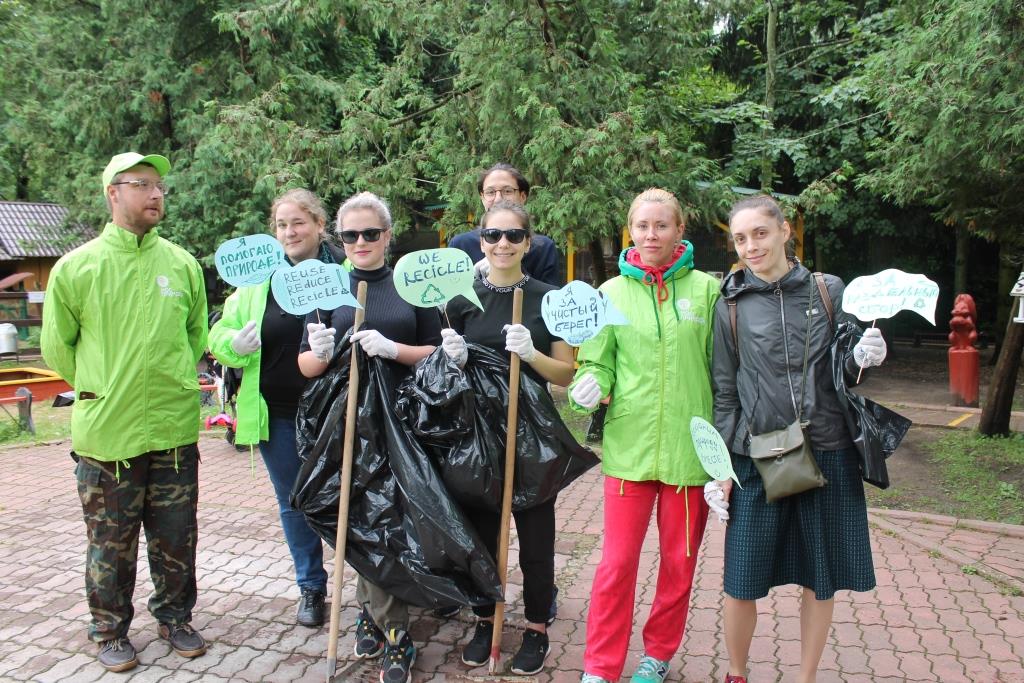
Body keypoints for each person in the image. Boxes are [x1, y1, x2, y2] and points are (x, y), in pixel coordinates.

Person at [41, 152, 209, 673]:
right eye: (143, 185)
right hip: (107, 433)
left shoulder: (181, 264)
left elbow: (195, 336)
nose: (156, 194)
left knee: (176, 535)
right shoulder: (77, 268)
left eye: (161, 185)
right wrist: (102, 386)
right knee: (111, 544)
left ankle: (176, 617)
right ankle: (109, 628)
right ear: (113, 193)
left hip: (173, 427)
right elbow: (57, 350)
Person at [708, 195, 887, 683]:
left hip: (828, 450)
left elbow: (845, 375)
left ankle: (806, 676)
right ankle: (737, 672)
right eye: (740, 238)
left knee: (820, 577)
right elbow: (724, 391)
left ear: (785, 232)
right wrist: (724, 466)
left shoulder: (829, 290)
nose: (751, 246)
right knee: (741, 578)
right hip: (758, 456)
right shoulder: (729, 304)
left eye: (760, 234)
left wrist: (863, 358)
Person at [568, 188, 719, 683]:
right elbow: (595, 362)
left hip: (689, 456)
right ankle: (601, 666)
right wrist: (588, 387)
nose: (651, 235)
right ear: (629, 230)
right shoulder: (610, 293)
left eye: (662, 225)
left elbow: (724, 373)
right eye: (642, 226)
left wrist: (723, 460)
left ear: (680, 231)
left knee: (679, 564)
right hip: (629, 452)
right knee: (616, 566)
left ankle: (657, 655)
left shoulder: (708, 292)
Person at [298, 191, 441, 683]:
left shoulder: (409, 285)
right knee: (359, 518)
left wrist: (393, 348)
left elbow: (433, 352)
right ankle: (390, 628)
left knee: (394, 522)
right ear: (339, 240)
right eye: (350, 235)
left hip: (404, 421)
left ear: (387, 236)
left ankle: (382, 621)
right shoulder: (328, 286)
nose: (360, 242)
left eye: (370, 233)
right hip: (347, 426)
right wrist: (319, 349)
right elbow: (307, 365)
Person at [441, 200, 575, 675]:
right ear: (481, 241)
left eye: (514, 236)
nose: (503, 244)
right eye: (494, 235)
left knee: (536, 538)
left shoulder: (546, 297)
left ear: (529, 242)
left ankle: (536, 627)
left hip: (531, 436)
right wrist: (451, 356)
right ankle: (485, 618)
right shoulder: (460, 298)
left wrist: (532, 353)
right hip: (476, 434)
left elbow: (565, 373)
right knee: (480, 533)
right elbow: (441, 370)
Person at [208, 188, 344, 629]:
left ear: (319, 225)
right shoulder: (254, 283)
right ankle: (311, 587)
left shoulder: (342, 273)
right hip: (277, 413)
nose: (289, 232)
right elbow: (218, 336)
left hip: (336, 411)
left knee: (348, 496)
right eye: (282, 224)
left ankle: (370, 581)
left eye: (298, 222)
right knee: (294, 502)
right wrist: (234, 344)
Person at [447, 162, 561, 286]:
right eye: (490, 192)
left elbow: (548, 301)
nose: (498, 199)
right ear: (482, 197)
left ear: (522, 196)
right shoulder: (461, 246)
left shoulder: (543, 248)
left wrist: (509, 268)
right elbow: (451, 298)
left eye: (507, 191)